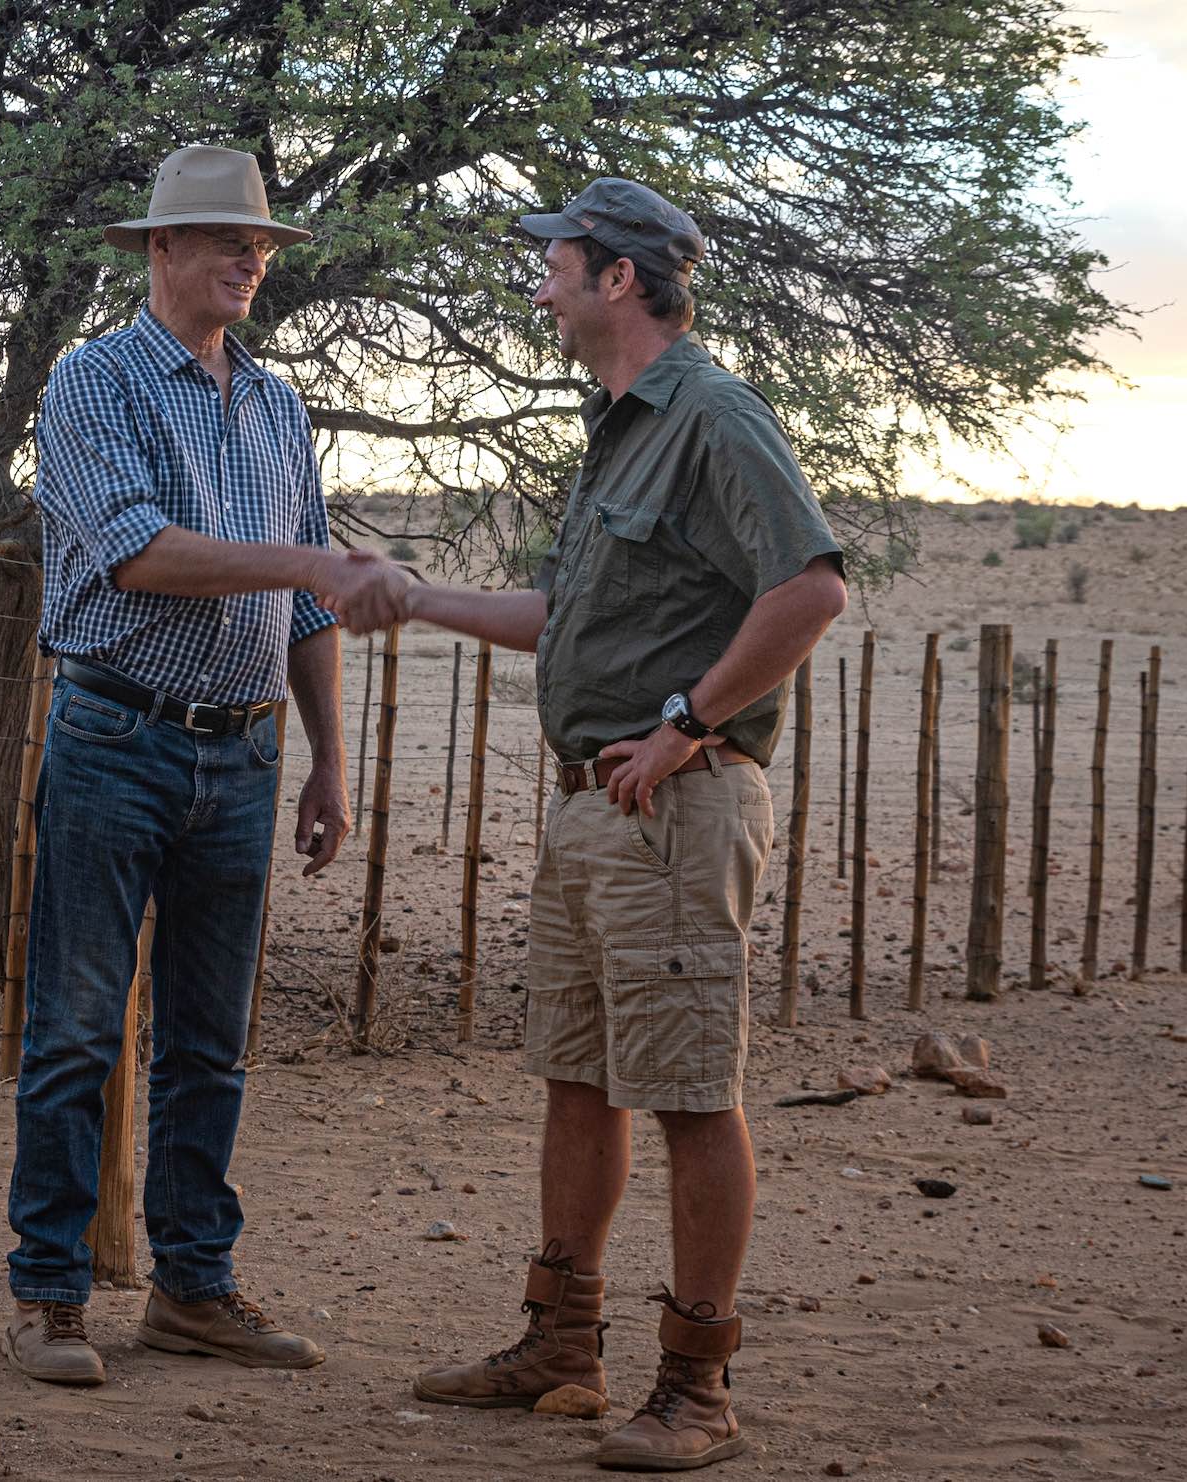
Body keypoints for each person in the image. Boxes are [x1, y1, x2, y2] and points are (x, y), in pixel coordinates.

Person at [370, 178, 848, 1470]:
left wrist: (689, 720)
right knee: (578, 1077)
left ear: (618, 278)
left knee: (692, 1087)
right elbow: (560, 617)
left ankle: (697, 1386)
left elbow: (810, 589)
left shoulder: (712, 413)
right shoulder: (618, 426)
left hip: (676, 806)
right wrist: (416, 596)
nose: (540, 277)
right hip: (596, 807)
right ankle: (559, 1340)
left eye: (556, 259)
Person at [1, 143, 408, 1387]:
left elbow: (307, 610)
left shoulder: (277, 405)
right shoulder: (92, 385)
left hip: (240, 755)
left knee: (208, 1042)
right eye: (228, 241)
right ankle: (50, 1296)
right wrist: (305, 564)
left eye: (263, 245)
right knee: (76, 1028)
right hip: (115, 736)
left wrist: (329, 758)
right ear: (159, 252)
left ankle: (191, 1289)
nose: (250, 260)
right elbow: (133, 554)